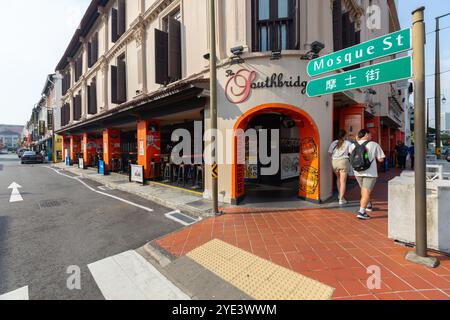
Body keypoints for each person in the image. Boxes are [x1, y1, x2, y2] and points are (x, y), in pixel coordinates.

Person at [349, 129, 386, 220]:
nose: (371, 136)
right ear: (366, 134)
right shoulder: (374, 144)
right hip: (370, 173)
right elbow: (381, 159)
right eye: (369, 134)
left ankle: (368, 205)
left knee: (364, 190)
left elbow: (351, 156)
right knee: (366, 192)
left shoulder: (352, 145)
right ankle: (361, 212)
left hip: (357, 171)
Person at [328, 130, 352, 206]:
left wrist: (335, 157)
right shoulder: (348, 143)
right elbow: (352, 152)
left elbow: (329, 153)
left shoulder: (334, 143)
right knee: (343, 181)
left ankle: (340, 195)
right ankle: (341, 199)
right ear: (344, 136)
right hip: (343, 162)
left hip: (334, 162)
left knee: (338, 179)